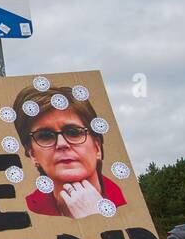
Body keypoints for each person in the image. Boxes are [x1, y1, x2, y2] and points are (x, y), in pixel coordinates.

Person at [10, 83, 127, 218]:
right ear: (32, 154)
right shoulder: (23, 213)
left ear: (97, 146)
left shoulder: (132, 201)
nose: (61, 144)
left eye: (73, 132)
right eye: (45, 136)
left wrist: (94, 217)